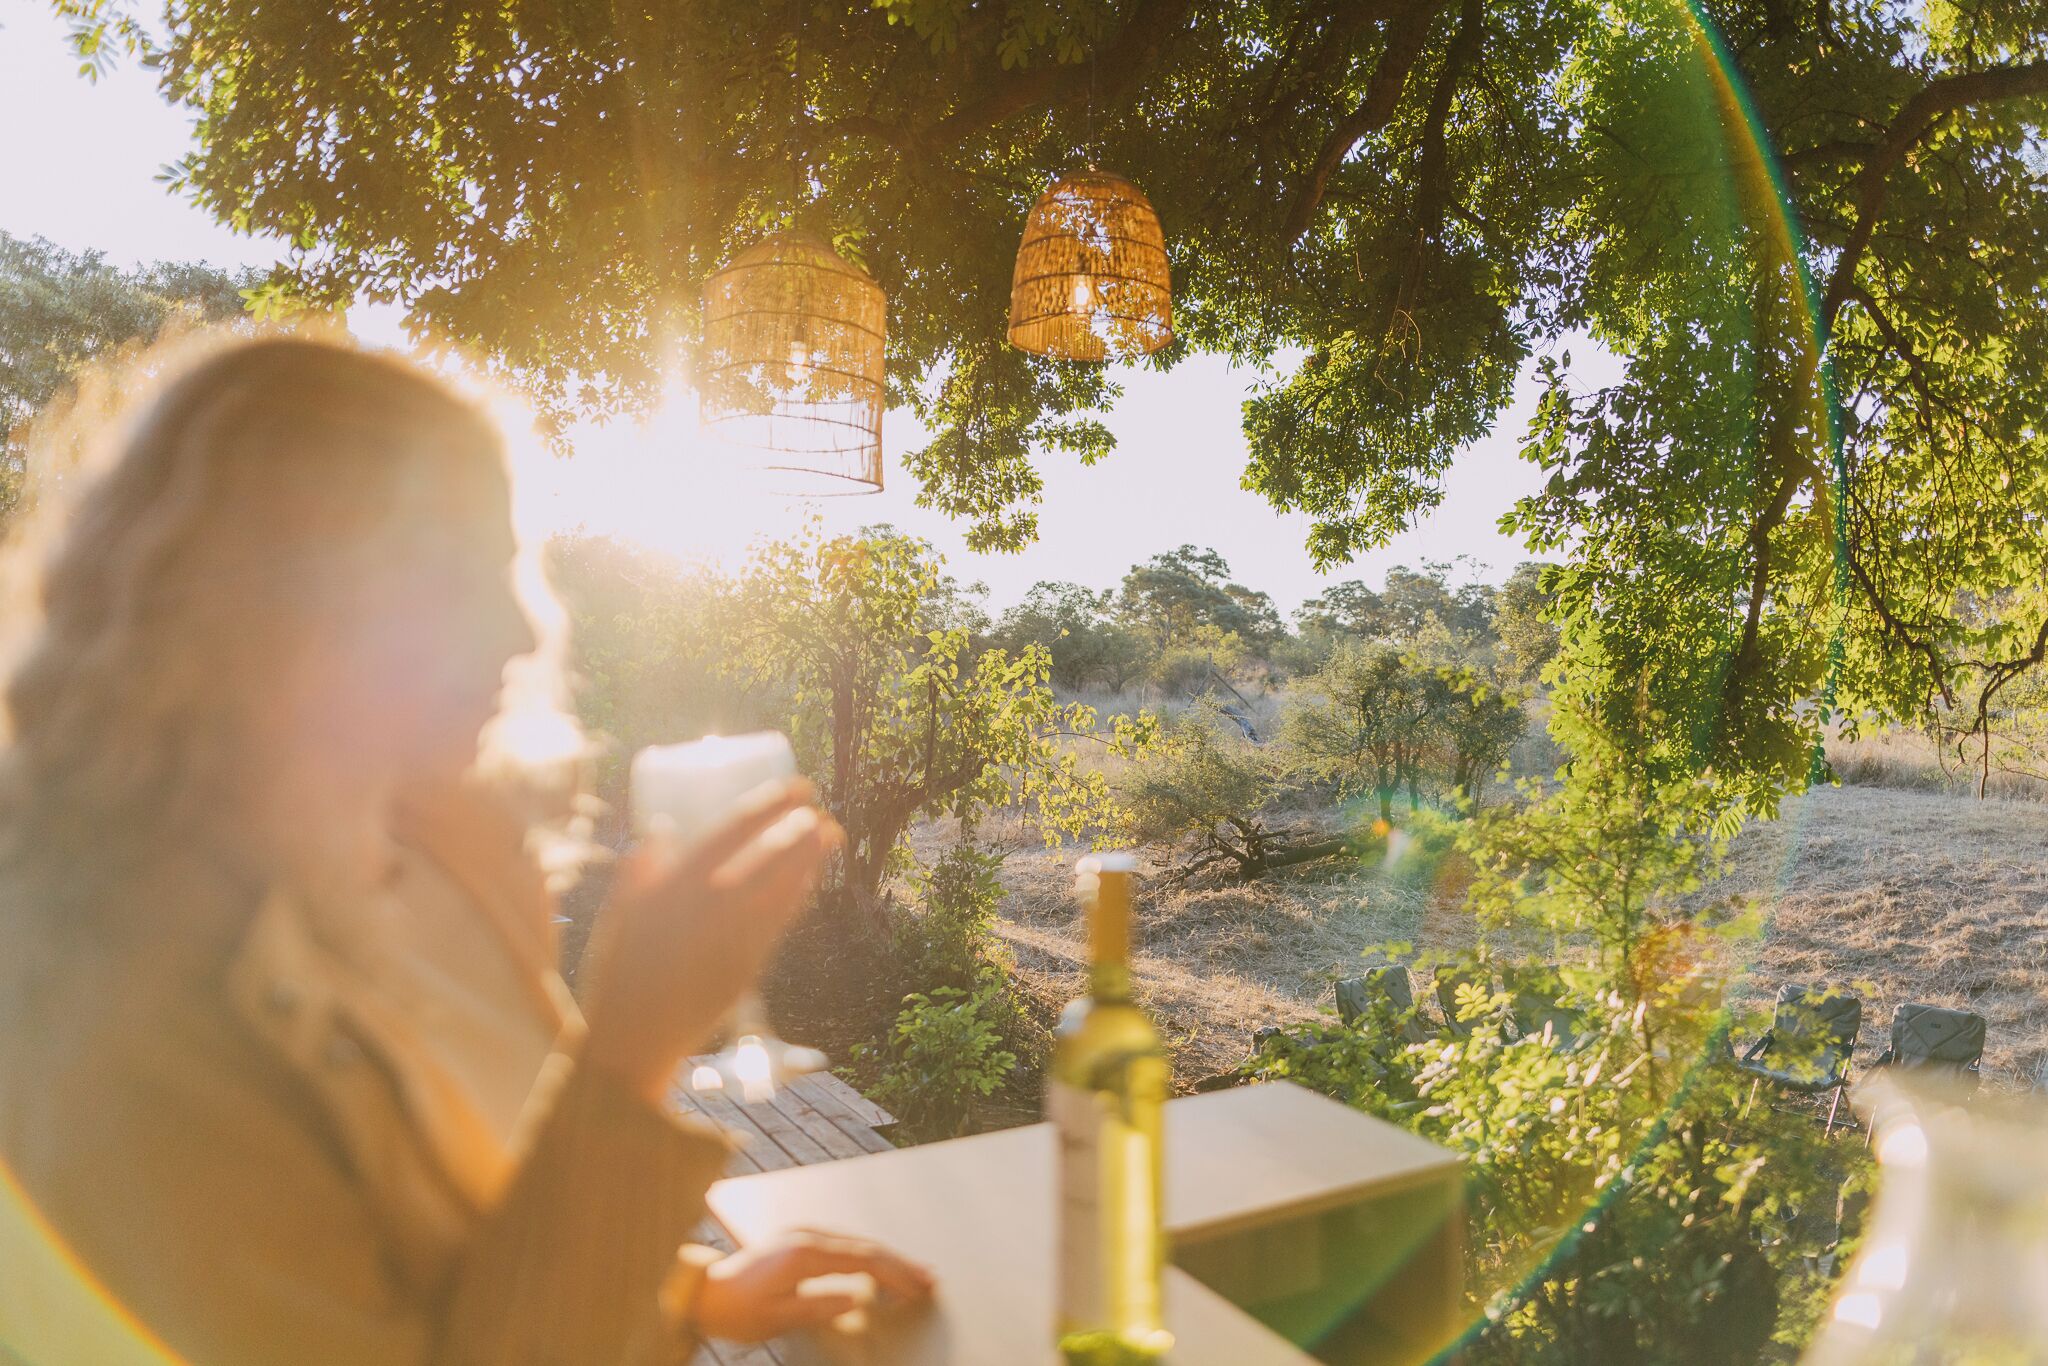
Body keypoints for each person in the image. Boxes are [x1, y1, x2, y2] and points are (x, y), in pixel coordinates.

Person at [0, 335, 932, 1364]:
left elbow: (476, 1216)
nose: (519, 632)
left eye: (505, 569)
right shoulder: (102, 1019)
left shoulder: (434, 839)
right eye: (446, 575)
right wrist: (630, 1046)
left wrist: (694, 1292)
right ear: (255, 597)